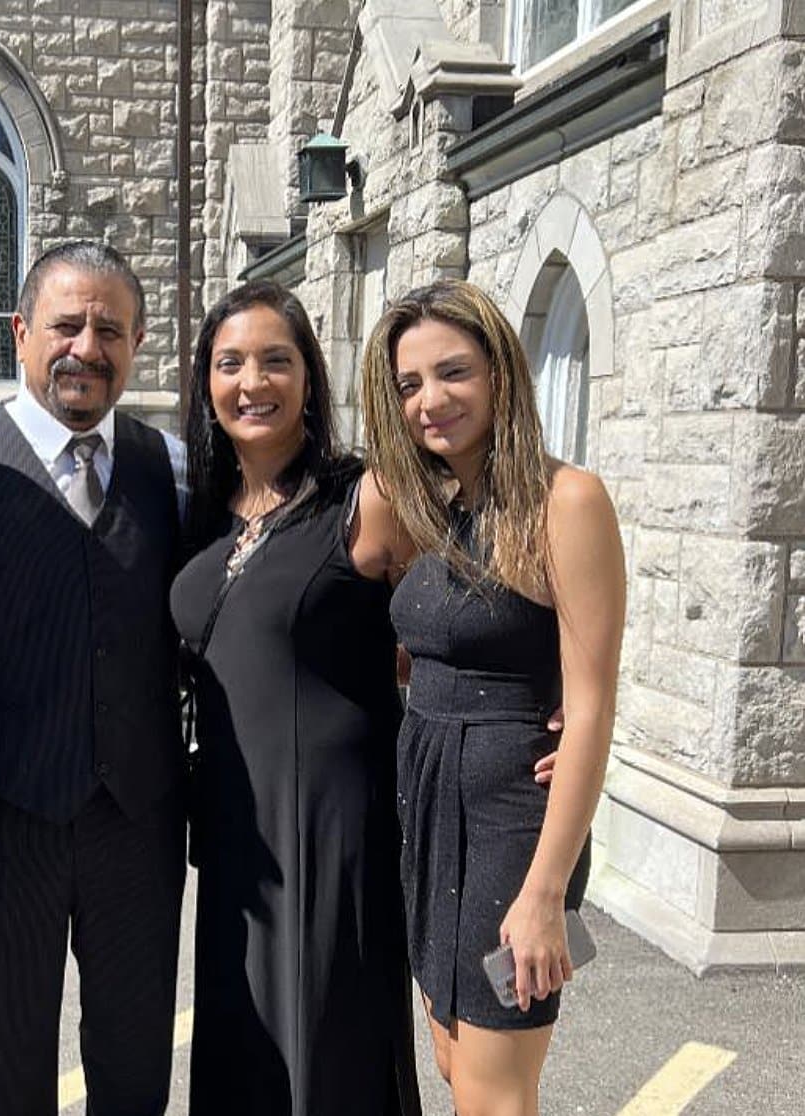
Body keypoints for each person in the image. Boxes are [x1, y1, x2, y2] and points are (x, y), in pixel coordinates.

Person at [0, 240, 189, 1116]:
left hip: (136, 825)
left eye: (110, 329)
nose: (86, 348)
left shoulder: (169, 468)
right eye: (66, 325)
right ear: (21, 333)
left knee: (135, 1067)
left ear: (136, 343)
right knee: (0, 1072)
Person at [360, 278, 625, 1115]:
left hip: (515, 824)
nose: (430, 401)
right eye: (409, 384)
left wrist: (546, 895)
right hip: (431, 809)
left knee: (493, 1093)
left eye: (454, 373)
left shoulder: (566, 501)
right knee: (451, 1053)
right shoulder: (438, 507)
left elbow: (590, 706)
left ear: (503, 375)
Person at [170, 280, 422, 1115]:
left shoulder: (368, 497)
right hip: (238, 833)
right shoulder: (203, 511)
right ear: (206, 381)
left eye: (277, 361)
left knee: (327, 1048)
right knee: (246, 1047)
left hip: (333, 828)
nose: (254, 382)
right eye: (230, 362)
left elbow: (471, 612)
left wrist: (546, 706)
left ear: (310, 378)